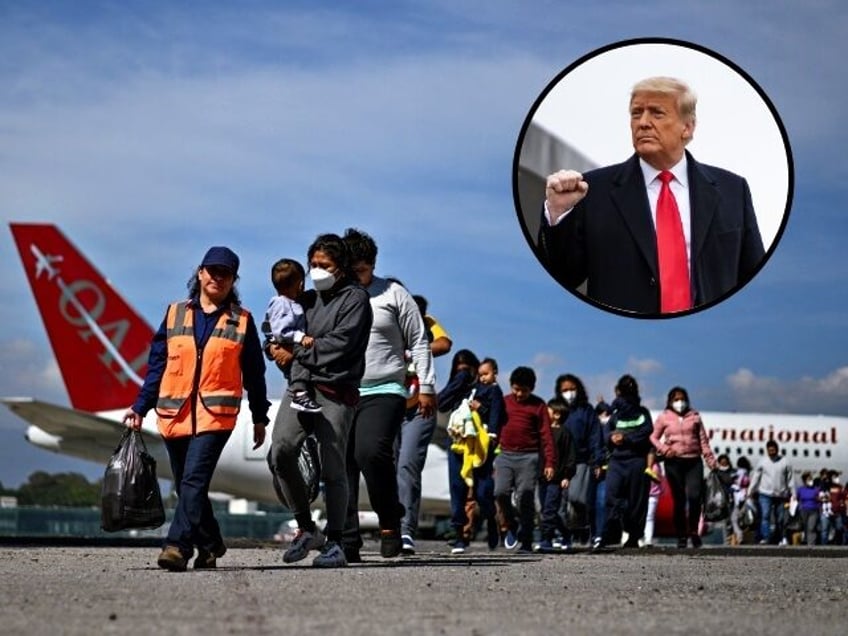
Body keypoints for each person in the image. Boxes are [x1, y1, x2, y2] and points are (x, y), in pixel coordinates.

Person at [538, 76, 765, 314]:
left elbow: (753, 279)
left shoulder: (733, 190)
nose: (643, 122)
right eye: (636, 114)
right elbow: (560, 278)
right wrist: (557, 215)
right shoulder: (592, 190)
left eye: (657, 113)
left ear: (687, 127)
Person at [123, 246, 270, 572]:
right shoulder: (175, 314)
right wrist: (140, 406)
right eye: (213, 271)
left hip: (215, 417)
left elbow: (255, 375)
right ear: (201, 273)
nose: (218, 277)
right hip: (174, 413)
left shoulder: (242, 321)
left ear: (233, 280)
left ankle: (177, 546)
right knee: (187, 484)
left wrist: (260, 417)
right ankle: (211, 544)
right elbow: (157, 366)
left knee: (193, 480)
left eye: (226, 273)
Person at [266, 233, 373, 568]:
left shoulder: (355, 300)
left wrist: (294, 351)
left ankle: (337, 541)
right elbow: (274, 325)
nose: (316, 270)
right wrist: (271, 346)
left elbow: (337, 346)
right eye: (312, 264)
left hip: (335, 392)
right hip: (300, 389)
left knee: (333, 468)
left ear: (340, 267)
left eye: (323, 265)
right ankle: (306, 526)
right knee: (280, 451)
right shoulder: (306, 298)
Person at [341, 228, 436, 562]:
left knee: (370, 452)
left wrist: (426, 386)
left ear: (373, 265)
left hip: (385, 388)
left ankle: (390, 519)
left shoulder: (393, 293)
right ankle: (346, 539)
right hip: (342, 389)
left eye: (363, 270)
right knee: (342, 463)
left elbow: (420, 340)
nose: (357, 277)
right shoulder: (335, 295)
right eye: (351, 271)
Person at [396, 293, 452, 556]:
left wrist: (416, 351)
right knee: (384, 466)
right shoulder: (387, 322)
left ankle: (405, 529)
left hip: (419, 408)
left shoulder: (427, 322)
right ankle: (390, 524)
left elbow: (444, 343)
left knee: (408, 465)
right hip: (388, 405)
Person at [493, 366, 556, 552]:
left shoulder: (539, 405)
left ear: (532, 389)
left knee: (526, 497)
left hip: (529, 457)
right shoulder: (503, 402)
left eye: (524, 390)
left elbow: (547, 436)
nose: (519, 394)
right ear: (511, 386)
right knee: (500, 492)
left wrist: (550, 463)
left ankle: (526, 539)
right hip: (505, 455)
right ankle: (510, 524)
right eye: (516, 389)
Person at [650, 387, 717, 548]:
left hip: (693, 461)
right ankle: (681, 535)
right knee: (679, 501)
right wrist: (665, 450)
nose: (680, 403)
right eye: (676, 399)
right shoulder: (664, 417)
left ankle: (693, 531)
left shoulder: (694, 417)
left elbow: (703, 441)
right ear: (670, 401)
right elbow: (653, 437)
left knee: (694, 497)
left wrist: (711, 461)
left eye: (682, 399)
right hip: (674, 463)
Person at [596, 375, 653, 550]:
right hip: (617, 462)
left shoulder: (643, 413)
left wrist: (626, 437)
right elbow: (605, 434)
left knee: (637, 502)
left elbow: (646, 431)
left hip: (636, 461)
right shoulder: (615, 416)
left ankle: (634, 536)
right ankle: (609, 534)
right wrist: (612, 438)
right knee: (612, 497)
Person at [261, 257, 321, 413]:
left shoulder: (291, 303)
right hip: (285, 345)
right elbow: (281, 331)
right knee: (300, 363)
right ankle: (299, 394)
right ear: (300, 284)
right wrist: (300, 338)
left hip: (286, 345)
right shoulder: (281, 304)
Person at [554, 373, 603, 549]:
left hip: (580, 461)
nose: (569, 393)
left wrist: (597, 461)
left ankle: (582, 528)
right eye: (565, 390)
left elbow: (595, 436)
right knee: (558, 503)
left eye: (572, 389)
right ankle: (563, 536)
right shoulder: (555, 409)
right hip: (558, 463)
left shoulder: (586, 410)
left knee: (577, 498)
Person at [536, 398, 576, 551]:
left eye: (549, 410)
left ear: (557, 414)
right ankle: (566, 533)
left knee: (549, 509)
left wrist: (567, 476)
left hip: (557, 479)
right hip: (542, 477)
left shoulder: (565, 433)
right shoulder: (542, 431)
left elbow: (570, 457)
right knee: (546, 510)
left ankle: (546, 539)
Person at [748, 440, 794, 545]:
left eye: (773, 450)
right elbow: (756, 477)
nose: (771, 452)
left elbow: (790, 479)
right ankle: (766, 538)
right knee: (765, 516)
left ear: (777, 450)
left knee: (780, 519)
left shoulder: (785, 462)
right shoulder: (763, 462)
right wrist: (750, 490)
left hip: (780, 494)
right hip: (765, 494)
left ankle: (780, 537)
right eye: (769, 450)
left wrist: (793, 493)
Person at [642, 451, 664, 547]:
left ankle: (648, 539)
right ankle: (643, 538)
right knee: (647, 516)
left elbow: (659, 481)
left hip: (652, 495)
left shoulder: (656, 466)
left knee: (649, 516)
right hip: (645, 494)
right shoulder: (643, 464)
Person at [730, 456, 752, 545]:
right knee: (741, 519)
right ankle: (739, 537)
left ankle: (739, 536)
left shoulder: (738, 473)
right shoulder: (748, 473)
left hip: (738, 499)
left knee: (734, 519)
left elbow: (737, 484)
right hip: (747, 498)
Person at [795, 471, 821, 546]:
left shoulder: (816, 489)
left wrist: (819, 500)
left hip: (814, 510)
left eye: (811, 479)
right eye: (809, 479)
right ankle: (805, 540)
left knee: (811, 527)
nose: (810, 481)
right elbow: (796, 499)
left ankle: (811, 544)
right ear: (804, 481)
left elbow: (820, 499)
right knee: (806, 526)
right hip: (804, 510)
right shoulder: (800, 489)